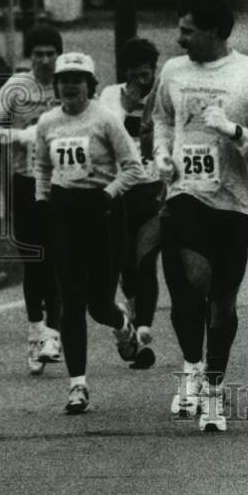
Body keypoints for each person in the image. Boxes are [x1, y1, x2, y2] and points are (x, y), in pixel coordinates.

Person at [150, 0, 248, 432]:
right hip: (185, 194)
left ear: (212, 31)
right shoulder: (172, 71)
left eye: (187, 31)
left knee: (222, 304)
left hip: (234, 202)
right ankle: (190, 368)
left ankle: (213, 388)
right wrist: (162, 154)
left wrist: (233, 130)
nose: (179, 39)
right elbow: (162, 118)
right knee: (188, 286)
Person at [34, 52, 147, 414]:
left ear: (90, 85)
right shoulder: (48, 122)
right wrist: (42, 200)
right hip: (65, 213)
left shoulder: (105, 119)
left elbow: (134, 169)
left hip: (102, 213)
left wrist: (108, 194)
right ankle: (77, 386)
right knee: (70, 302)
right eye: (64, 79)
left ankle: (122, 325)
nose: (70, 86)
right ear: (56, 85)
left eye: (77, 79)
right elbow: (41, 165)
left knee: (99, 305)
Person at [0, 23, 64, 376]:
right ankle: (35, 333)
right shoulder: (17, 87)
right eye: (39, 54)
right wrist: (21, 136)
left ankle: (53, 336)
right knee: (34, 261)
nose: (45, 60)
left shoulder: (70, 83)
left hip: (63, 183)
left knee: (59, 259)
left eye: (51, 53)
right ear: (30, 57)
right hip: (26, 182)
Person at [99, 37, 164, 370]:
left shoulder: (162, 97)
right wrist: (128, 105)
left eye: (149, 73)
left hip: (153, 188)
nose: (144, 80)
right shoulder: (111, 97)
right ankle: (134, 316)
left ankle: (143, 326)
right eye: (138, 74)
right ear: (126, 72)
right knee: (126, 264)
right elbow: (109, 136)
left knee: (146, 258)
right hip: (122, 189)